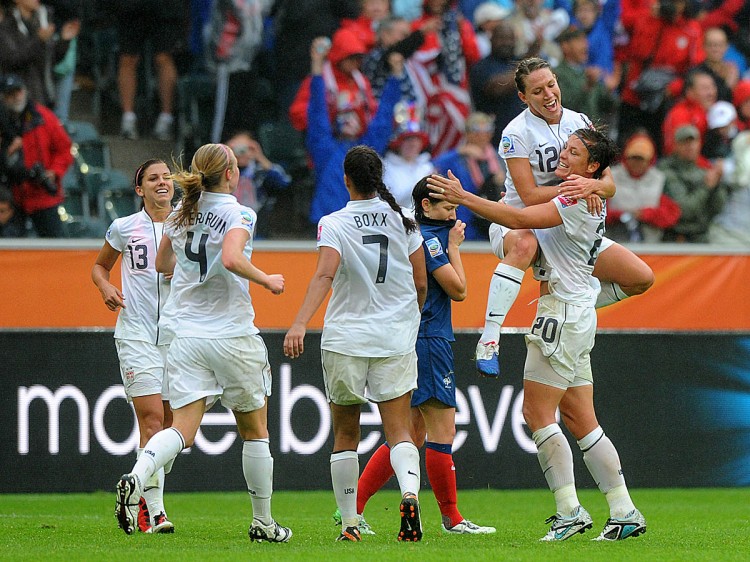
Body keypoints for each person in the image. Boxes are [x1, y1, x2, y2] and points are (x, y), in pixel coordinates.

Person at [428, 126, 648, 542]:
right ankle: (624, 511)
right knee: (582, 418)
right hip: (578, 312)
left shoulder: (574, 198)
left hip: (560, 313)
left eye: (574, 152)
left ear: (592, 165)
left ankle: (569, 512)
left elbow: (518, 218)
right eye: (565, 147)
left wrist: (465, 199)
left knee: (536, 414)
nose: (563, 155)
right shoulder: (590, 192)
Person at [114, 143, 291, 544]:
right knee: (255, 430)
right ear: (231, 173)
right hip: (231, 334)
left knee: (182, 429)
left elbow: (162, 264)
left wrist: (194, 265)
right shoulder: (239, 212)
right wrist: (267, 280)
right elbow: (230, 259)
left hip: (186, 336)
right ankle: (263, 522)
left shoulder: (179, 213)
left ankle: (137, 477)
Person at [283, 145, 428, 543]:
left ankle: (349, 524)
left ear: (345, 180)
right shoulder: (406, 222)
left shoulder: (334, 222)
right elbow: (420, 283)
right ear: (379, 178)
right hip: (394, 337)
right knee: (399, 430)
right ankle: (410, 495)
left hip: (347, 337)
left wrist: (299, 323)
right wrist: (408, 321)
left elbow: (324, 276)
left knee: (346, 434)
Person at [474, 57, 654, 377]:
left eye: (551, 84)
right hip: (520, 219)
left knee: (640, 277)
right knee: (525, 246)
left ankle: (573, 305)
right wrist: (580, 190)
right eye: (537, 90)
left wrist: (592, 186)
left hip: (565, 227)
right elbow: (528, 196)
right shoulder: (515, 132)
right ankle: (489, 338)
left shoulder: (580, 120)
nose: (548, 94)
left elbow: (609, 185)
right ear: (523, 98)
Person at [342, 176, 496, 536]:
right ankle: (452, 519)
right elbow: (458, 290)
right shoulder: (430, 239)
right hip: (430, 339)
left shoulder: (409, 232)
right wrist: (455, 246)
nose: (453, 214)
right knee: (441, 429)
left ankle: (353, 509)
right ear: (426, 206)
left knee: (409, 433)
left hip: (412, 337)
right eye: (447, 207)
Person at [92, 159, 176, 534]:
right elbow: (99, 267)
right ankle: (154, 514)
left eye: (166, 177)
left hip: (178, 338)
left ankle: (141, 490)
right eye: (153, 179)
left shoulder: (188, 226)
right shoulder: (124, 227)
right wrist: (106, 287)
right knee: (152, 420)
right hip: (136, 333)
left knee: (172, 429)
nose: (162, 182)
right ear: (140, 190)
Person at [305, 37, 404, 225]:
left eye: (355, 117)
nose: (350, 121)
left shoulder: (368, 149)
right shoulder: (324, 148)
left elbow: (384, 117)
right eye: (345, 118)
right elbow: (317, 111)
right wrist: (317, 67)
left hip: (363, 224)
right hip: (329, 223)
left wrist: (396, 76)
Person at [0, 74, 72, 238]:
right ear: (3, 97)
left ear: (24, 91)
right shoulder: (4, 122)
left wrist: (53, 172)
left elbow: (64, 149)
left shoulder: (44, 117)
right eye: (10, 93)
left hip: (41, 194)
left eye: (17, 91)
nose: (15, 97)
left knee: (55, 246)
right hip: (13, 195)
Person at [111, 0, 182, 140]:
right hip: (131, 8)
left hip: (165, 8)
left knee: (163, 57)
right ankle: (128, 120)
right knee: (128, 58)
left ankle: (166, 119)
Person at [432, 111, 505, 240]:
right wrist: (459, 152)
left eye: (487, 130)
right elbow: (432, 166)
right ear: (467, 133)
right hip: (466, 221)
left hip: (492, 218)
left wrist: (502, 180)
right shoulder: (457, 158)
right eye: (476, 130)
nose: (482, 135)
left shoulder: (498, 157)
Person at [659, 124, 735, 242]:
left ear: (699, 144)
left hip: (701, 237)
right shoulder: (666, 171)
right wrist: (706, 187)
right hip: (675, 238)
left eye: (693, 142)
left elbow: (717, 208)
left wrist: (718, 183)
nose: (690, 147)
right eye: (685, 143)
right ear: (676, 145)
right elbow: (683, 210)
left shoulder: (704, 171)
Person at [0, 0, 80, 108]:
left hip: (45, 95)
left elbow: (52, 61)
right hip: (19, 98)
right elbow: (12, 60)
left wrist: (64, 41)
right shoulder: (7, 25)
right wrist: (39, 40)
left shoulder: (43, 19)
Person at [608, 131, 681, 243]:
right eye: (633, 158)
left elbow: (673, 214)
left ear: (650, 160)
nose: (637, 163)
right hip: (614, 241)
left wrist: (647, 214)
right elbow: (597, 211)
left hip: (651, 244)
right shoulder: (610, 176)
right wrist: (619, 215)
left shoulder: (660, 179)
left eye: (641, 159)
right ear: (625, 157)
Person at [225, 130, 292, 238]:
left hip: (258, 227)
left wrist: (259, 156)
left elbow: (284, 182)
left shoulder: (260, 171)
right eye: (236, 148)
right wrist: (224, 154)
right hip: (228, 228)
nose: (241, 152)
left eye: (246, 148)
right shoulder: (224, 172)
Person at [382, 102, 434, 208]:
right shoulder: (385, 168)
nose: (413, 144)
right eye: (408, 139)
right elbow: (391, 202)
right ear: (398, 143)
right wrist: (423, 185)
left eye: (416, 140)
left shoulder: (427, 167)